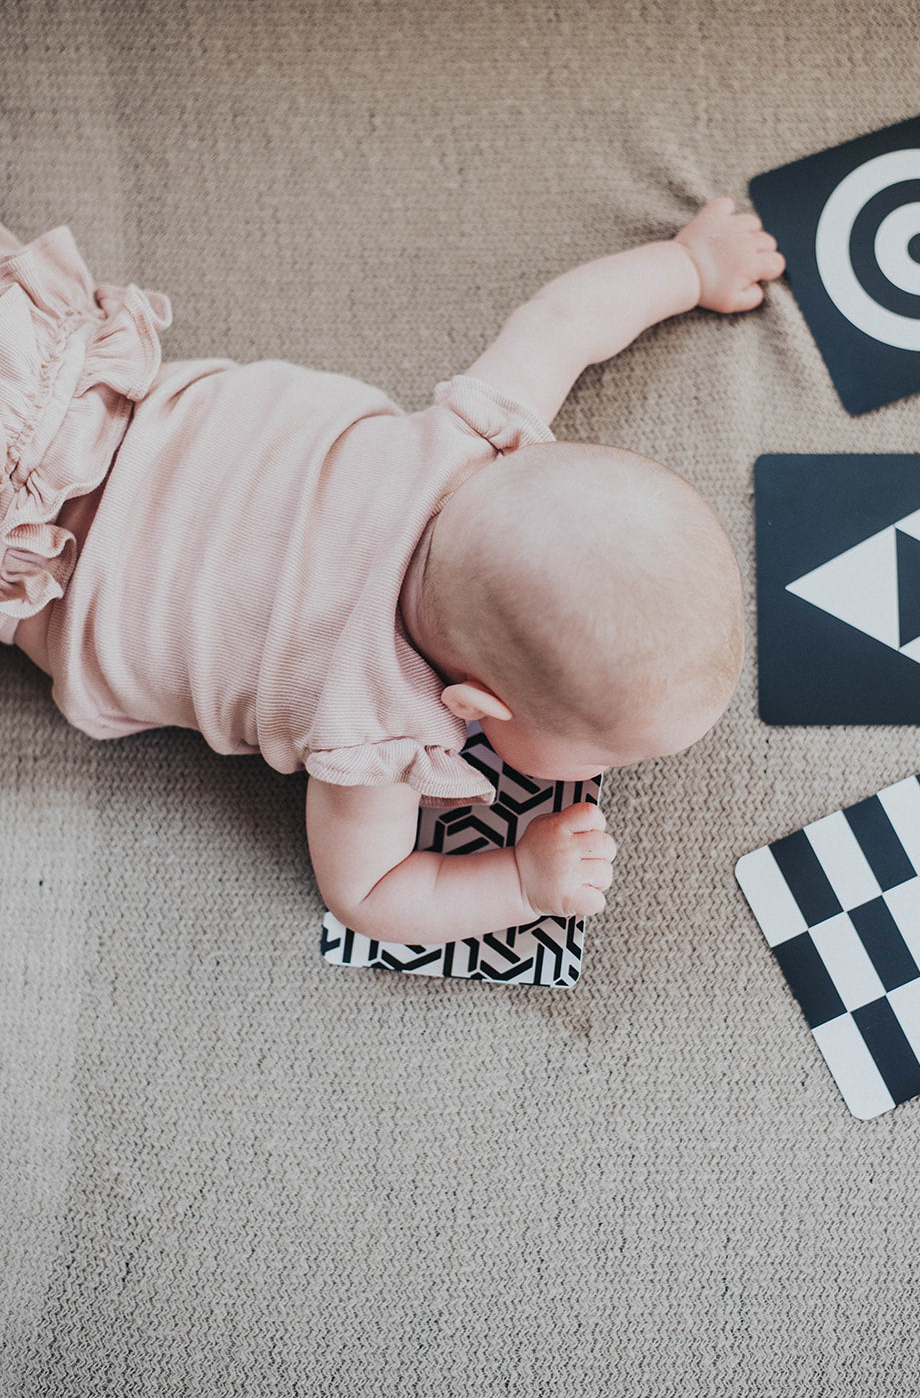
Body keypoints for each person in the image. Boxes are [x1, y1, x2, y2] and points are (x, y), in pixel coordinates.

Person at [0, 198, 784, 942]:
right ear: (478, 703)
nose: (613, 771)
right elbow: (368, 893)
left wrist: (688, 264)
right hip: (30, 570)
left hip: (51, 386)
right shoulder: (375, 733)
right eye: (610, 756)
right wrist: (524, 881)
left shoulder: (473, 438)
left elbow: (565, 323)